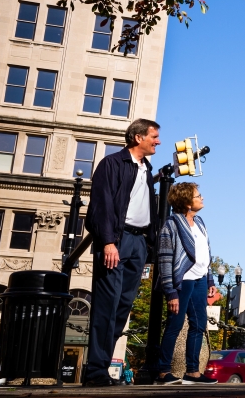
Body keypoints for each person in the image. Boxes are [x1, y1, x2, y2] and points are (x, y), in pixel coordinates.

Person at [83, 119, 160, 387]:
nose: (157, 141)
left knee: (123, 307)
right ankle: (95, 373)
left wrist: (149, 247)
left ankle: (100, 367)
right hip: (117, 240)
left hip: (138, 243)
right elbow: (102, 205)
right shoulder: (112, 164)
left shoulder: (147, 170)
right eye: (154, 136)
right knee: (107, 305)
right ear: (138, 137)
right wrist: (108, 242)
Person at [155, 182, 218, 384]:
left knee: (199, 325)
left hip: (199, 280)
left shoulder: (200, 222)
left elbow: (205, 253)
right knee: (174, 324)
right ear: (187, 202)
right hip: (182, 281)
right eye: (198, 195)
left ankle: (193, 372)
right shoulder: (171, 225)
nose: (202, 198)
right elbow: (164, 259)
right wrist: (171, 292)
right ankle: (163, 371)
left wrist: (210, 279)